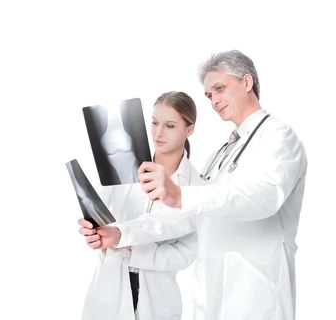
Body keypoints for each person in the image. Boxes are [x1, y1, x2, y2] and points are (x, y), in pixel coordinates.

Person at [81, 50, 307, 320]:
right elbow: (183, 218)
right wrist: (121, 233)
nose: (214, 100)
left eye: (220, 88)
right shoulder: (222, 153)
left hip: (254, 293)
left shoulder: (278, 137)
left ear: (247, 83)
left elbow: (264, 197)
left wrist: (181, 195)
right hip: (212, 293)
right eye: (210, 95)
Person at [78, 91, 202, 320]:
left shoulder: (196, 186)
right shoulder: (123, 165)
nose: (158, 133)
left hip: (157, 301)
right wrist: (93, 230)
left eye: (170, 125)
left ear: (189, 129)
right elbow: (102, 210)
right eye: (154, 123)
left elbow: (185, 253)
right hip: (108, 292)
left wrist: (131, 249)